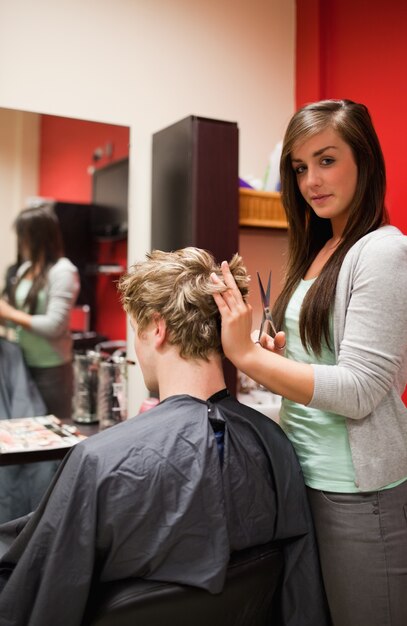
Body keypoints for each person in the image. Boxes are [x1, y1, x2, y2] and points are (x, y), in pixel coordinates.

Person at [0, 247, 329, 626]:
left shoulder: (97, 461)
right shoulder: (273, 443)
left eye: (136, 332)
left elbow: (37, 592)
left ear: (157, 328)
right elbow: (299, 592)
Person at [211, 99, 407, 626]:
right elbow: (324, 358)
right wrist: (278, 351)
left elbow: (361, 389)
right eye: (300, 168)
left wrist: (246, 355)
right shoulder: (320, 249)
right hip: (304, 475)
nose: (311, 181)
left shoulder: (383, 251)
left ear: (364, 160)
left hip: (356, 494)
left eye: (326, 160)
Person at [0, 204, 80, 420]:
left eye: (24, 235)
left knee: (53, 431)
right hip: (21, 363)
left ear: (38, 236)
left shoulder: (63, 271)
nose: (21, 241)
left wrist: (9, 314)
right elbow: (18, 319)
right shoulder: (26, 269)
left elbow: (55, 326)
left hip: (51, 370)